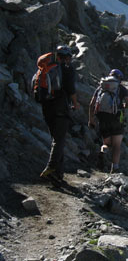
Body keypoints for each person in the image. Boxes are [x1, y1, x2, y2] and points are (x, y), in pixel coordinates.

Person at [38, 45, 79, 183]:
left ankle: (57, 174)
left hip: (46, 106)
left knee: (56, 138)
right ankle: (51, 166)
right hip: (61, 106)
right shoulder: (67, 69)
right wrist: (75, 103)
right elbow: (71, 88)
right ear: (67, 57)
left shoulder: (47, 67)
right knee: (59, 139)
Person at [88, 69, 128, 173]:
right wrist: (123, 106)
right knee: (117, 145)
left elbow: (91, 104)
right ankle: (115, 168)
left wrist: (91, 119)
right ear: (119, 78)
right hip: (116, 118)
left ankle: (103, 151)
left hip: (102, 118)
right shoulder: (120, 88)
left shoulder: (101, 87)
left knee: (106, 143)